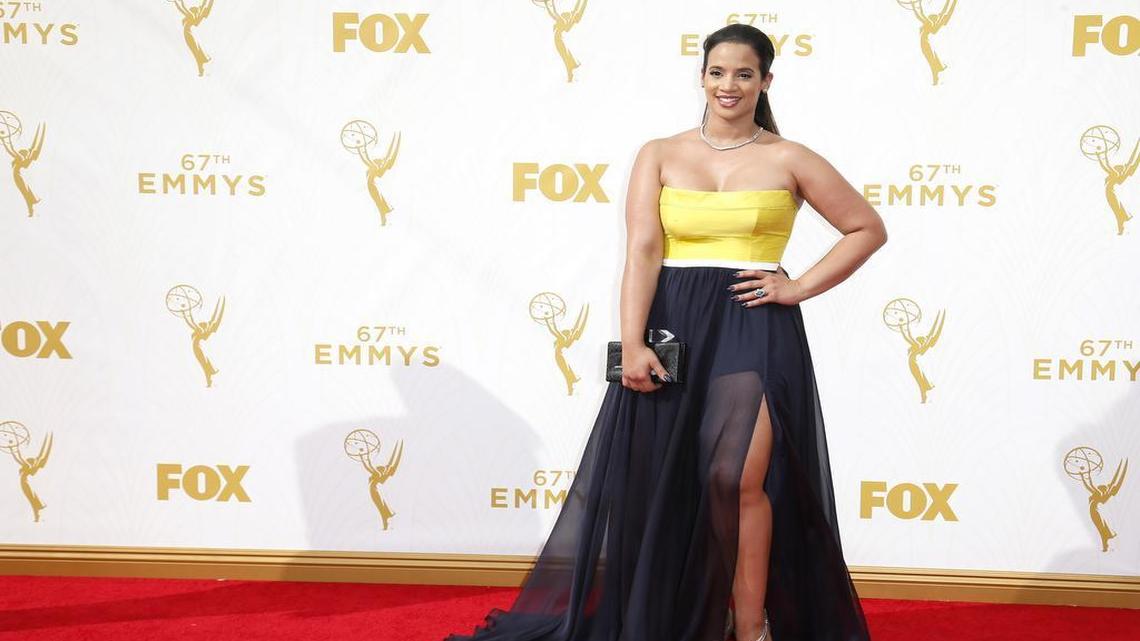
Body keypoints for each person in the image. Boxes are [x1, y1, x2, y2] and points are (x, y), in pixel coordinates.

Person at [446, 23, 887, 641]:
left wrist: (796, 285)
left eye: (743, 73)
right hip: (673, 322)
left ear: (765, 80)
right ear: (701, 76)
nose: (728, 85)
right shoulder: (659, 152)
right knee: (667, 480)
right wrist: (631, 342)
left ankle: (752, 623)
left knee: (735, 478)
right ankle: (694, 614)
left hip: (752, 323)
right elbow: (644, 252)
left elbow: (866, 228)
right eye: (717, 72)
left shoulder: (790, 157)